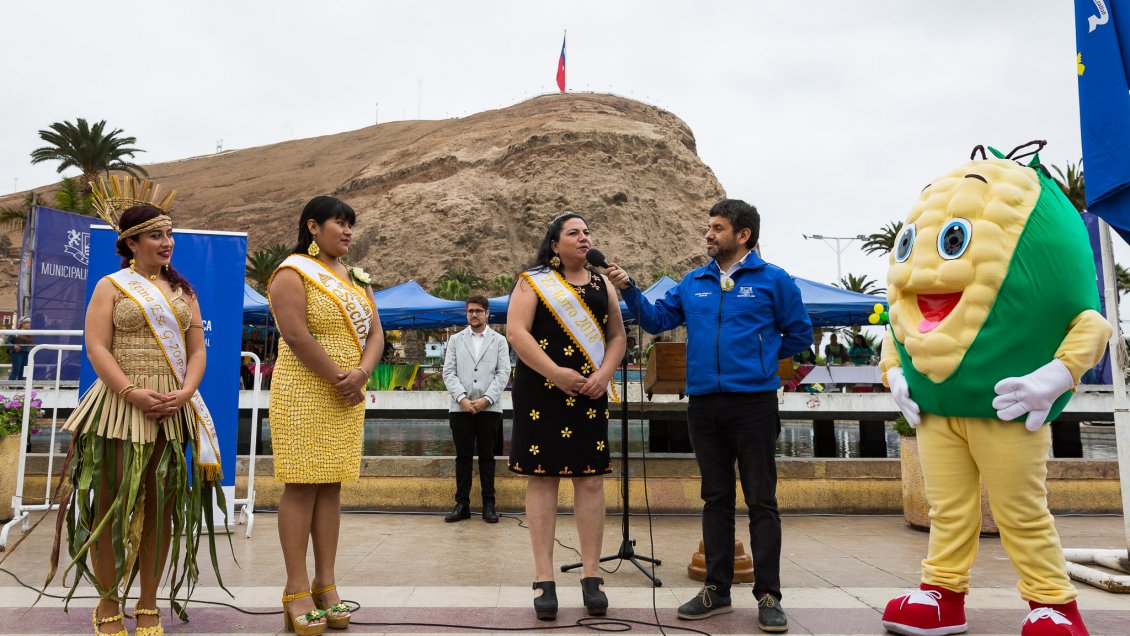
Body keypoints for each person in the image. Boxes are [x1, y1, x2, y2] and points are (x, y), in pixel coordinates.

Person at [606, 199, 811, 634]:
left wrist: (757, 360)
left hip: (754, 403)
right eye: (709, 227)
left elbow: (799, 335)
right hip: (703, 404)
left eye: (717, 228)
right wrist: (629, 288)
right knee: (715, 498)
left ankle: (769, 595)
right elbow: (657, 317)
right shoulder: (693, 282)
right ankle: (716, 590)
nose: (708, 234)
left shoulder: (775, 281)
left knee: (761, 501)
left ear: (743, 235)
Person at [45, 178, 227, 636]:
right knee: (111, 502)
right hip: (120, 405)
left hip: (172, 404)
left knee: (162, 507)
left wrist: (185, 392)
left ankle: (148, 603)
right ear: (130, 243)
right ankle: (108, 603)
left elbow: (199, 349)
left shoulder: (183, 290)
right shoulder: (111, 286)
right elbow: (97, 346)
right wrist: (129, 391)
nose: (166, 243)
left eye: (168, 235)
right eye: (155, 235)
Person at [268, 195, 383, 636]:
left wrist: (362, 374)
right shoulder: (291, 271)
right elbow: (295, 333)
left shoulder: (356, 279)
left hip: (347, 391)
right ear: (313, 227)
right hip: (304, 388)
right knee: (301, 484)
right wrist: (341, 376)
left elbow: (376, 333)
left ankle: (326, 582)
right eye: (340, 222)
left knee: (331, 484)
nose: (348, 231)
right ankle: (296, 588)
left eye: (351, 224)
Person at [507, 212, 626, 621]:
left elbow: (616, 335)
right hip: (542, 388)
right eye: (573, 233)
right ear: (554, 244)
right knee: (543, 478)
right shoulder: (532, 280)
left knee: (590, 479)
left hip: (590, 390)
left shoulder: (602, 282)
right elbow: (516, 332)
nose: (583, 237)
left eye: (587, 232)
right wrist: (555, 373)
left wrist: (605, 374)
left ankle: (592, 577)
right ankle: (544, 579)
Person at [441, 295, 511, 523]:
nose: (474, 315)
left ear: (487, 313)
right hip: (460, 408)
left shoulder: (499, 340)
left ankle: (489, 504)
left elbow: (503, 372)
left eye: (478, 311)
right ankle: (462, 504)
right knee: (462, 457)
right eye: (470, 311)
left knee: (487, 457)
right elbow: (448, 372)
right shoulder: (455, 340)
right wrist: (461, 399)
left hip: (489, 409)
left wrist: (487, 399)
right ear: (466, 313)